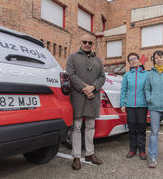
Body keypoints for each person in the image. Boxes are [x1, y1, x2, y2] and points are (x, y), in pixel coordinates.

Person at [66, 34, 106, 170]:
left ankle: (90, 153)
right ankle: (76, 156)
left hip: (93, 97)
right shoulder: (72, 57)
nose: (87, 44)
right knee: (76, 127)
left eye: (90, 42)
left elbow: (102, 77)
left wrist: (93, 87)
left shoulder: (98, 60)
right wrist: (85, 89)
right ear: (80, 42)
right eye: (85, 42)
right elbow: (70, 75)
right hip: (78, 97)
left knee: (90, 126)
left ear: (92, 44)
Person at [120, 52, 148, 160]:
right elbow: (124, 90)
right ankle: (132, 149)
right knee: (131, 128)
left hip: (142, 106)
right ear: (129, 63)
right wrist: (122, 103)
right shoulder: (127, 75)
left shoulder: (146, 74)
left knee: (141, 128)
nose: (133, 61)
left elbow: (149, 89)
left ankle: (142, 150)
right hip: (130, 106)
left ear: (138, 60)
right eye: (130, 60)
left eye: (134, 58)